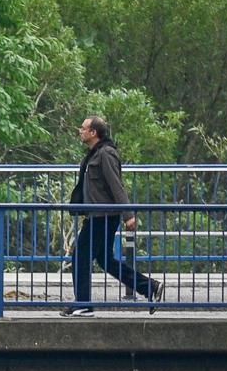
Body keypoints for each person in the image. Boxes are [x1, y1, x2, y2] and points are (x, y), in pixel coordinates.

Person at [64, 116, 158, 313]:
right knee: (106, 261)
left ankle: (83, 304)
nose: (80, 131)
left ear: (93, 133)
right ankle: (149, 287)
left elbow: (116, 185)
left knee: (80, 256)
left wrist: (128, 215)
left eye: (83, 128)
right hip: (96, 215)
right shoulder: (94, 154)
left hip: (103, 216)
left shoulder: (106, 154)